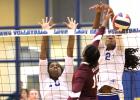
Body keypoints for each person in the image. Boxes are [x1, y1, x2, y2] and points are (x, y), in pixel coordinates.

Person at [68, 9, 112, 100]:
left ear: (84, 54)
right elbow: (98, 35)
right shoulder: (95, 65)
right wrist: (105, 21)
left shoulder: (81, 73)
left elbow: (74, 96)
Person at [90, 3, 125, 100]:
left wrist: (112, 13)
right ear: (104, 39)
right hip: (100, 93)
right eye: (108, 35)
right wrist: (98, 13)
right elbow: (95, 33)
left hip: (116, 92)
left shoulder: (120, 50)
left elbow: (117, 29)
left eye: (112, 36)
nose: (110, 36)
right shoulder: (101, 49)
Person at [39, 17, 78, 100]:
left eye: (57, 66)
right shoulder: (44, 79)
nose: (55, 66)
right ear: (48, 70)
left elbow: (70, 53)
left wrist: (72, 32)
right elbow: (43, 54)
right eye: (52, 66)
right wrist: (45, 33)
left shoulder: (66, 78)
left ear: (61, 70)